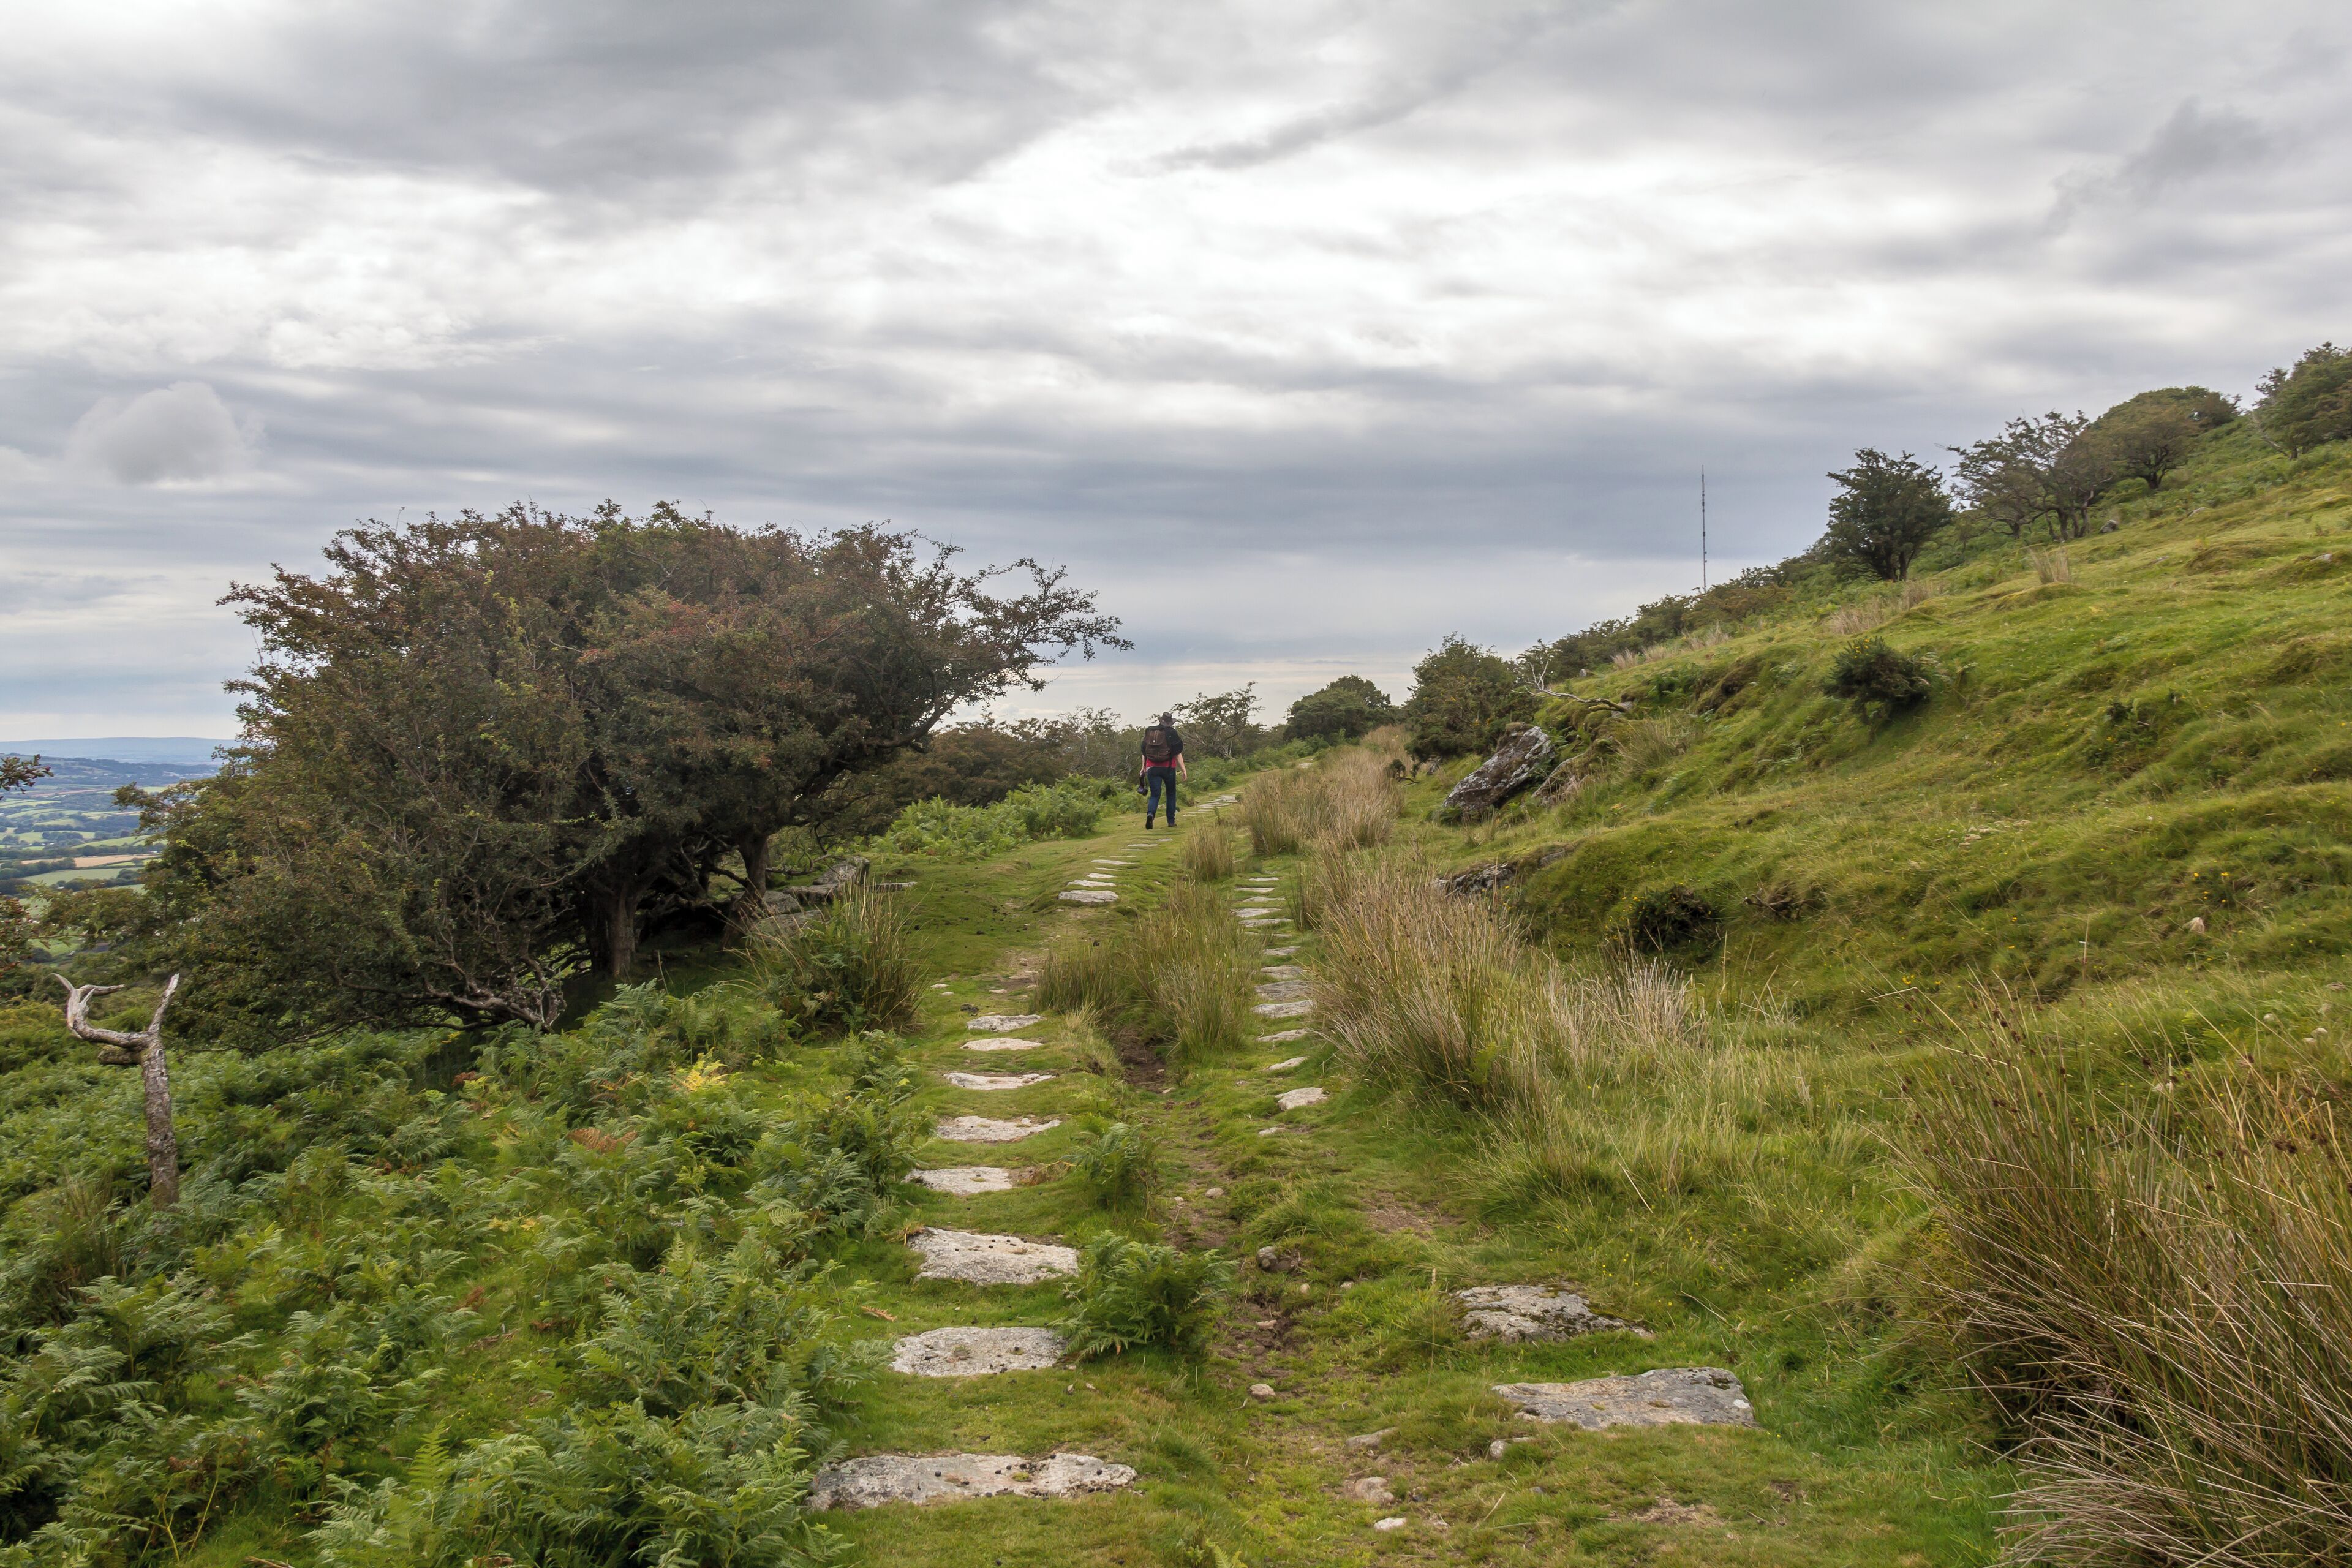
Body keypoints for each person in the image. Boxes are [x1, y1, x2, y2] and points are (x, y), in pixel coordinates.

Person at [1139, 710, 1186, 829]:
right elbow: (1177, 753)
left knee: (1155, 794)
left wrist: (1144, 767)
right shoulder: (1171, 733)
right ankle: (1171, 821)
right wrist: (1184, 770)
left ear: (1161, 721)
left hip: (1152, 768)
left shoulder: (1150, 732)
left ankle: (1150, 814)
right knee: (1171, 793)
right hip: (1168, 768)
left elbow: (1144, 752)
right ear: (1170, 722)